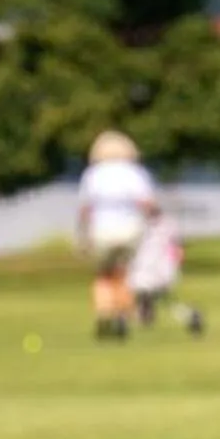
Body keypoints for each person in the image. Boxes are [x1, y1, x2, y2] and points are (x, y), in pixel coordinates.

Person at [77, 130, 160, 341]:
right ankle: (123, 315)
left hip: (102, 231)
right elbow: (147, 203)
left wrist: (83, 236)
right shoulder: (135, 173)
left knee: (104, 275)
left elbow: (85, 210)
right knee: (123, 273)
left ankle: (105, 312)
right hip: (131, 230)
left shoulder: (93, 175)